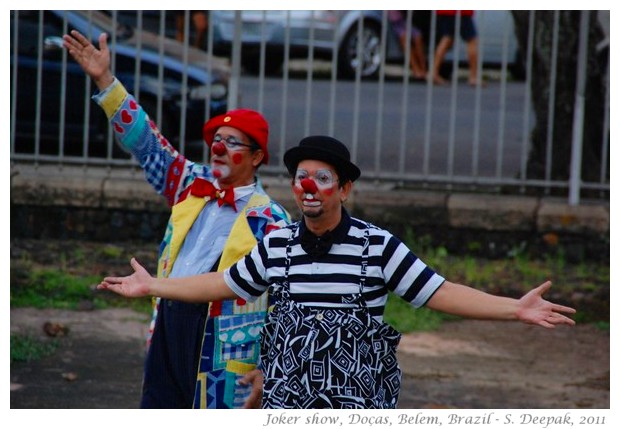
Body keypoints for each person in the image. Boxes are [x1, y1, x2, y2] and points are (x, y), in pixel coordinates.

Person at [98, 135, 577, 409]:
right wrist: (154, 285)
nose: (308, 187)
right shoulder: (279, 242)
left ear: (343, 189)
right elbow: (222, 284)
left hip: (357, 400)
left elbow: (439, 291)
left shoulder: (376, 245)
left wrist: (514, 308)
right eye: (301, 177)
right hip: (288, 401)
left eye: (322, 178)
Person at [62, 30, 291, 409]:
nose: (218, 147)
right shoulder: (189, 182)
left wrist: (270, 367)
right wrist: (105, 80)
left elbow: (286, 305)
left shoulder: (272, 220)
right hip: (168, 325)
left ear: (256, 158)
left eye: (233, 142)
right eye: (217, 138)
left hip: (224, 347)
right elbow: (146, 141)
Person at [432, 10, 482, 86]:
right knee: (472, 41)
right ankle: (473, 77)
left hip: (445, 11)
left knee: (447, 38)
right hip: (461, 12)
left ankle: (433, 72)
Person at [388, 11, 427, 80]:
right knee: (404, 38)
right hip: (394, 22)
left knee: (418, 37)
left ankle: (424, 68)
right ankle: (415, 69)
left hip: (403, 21)